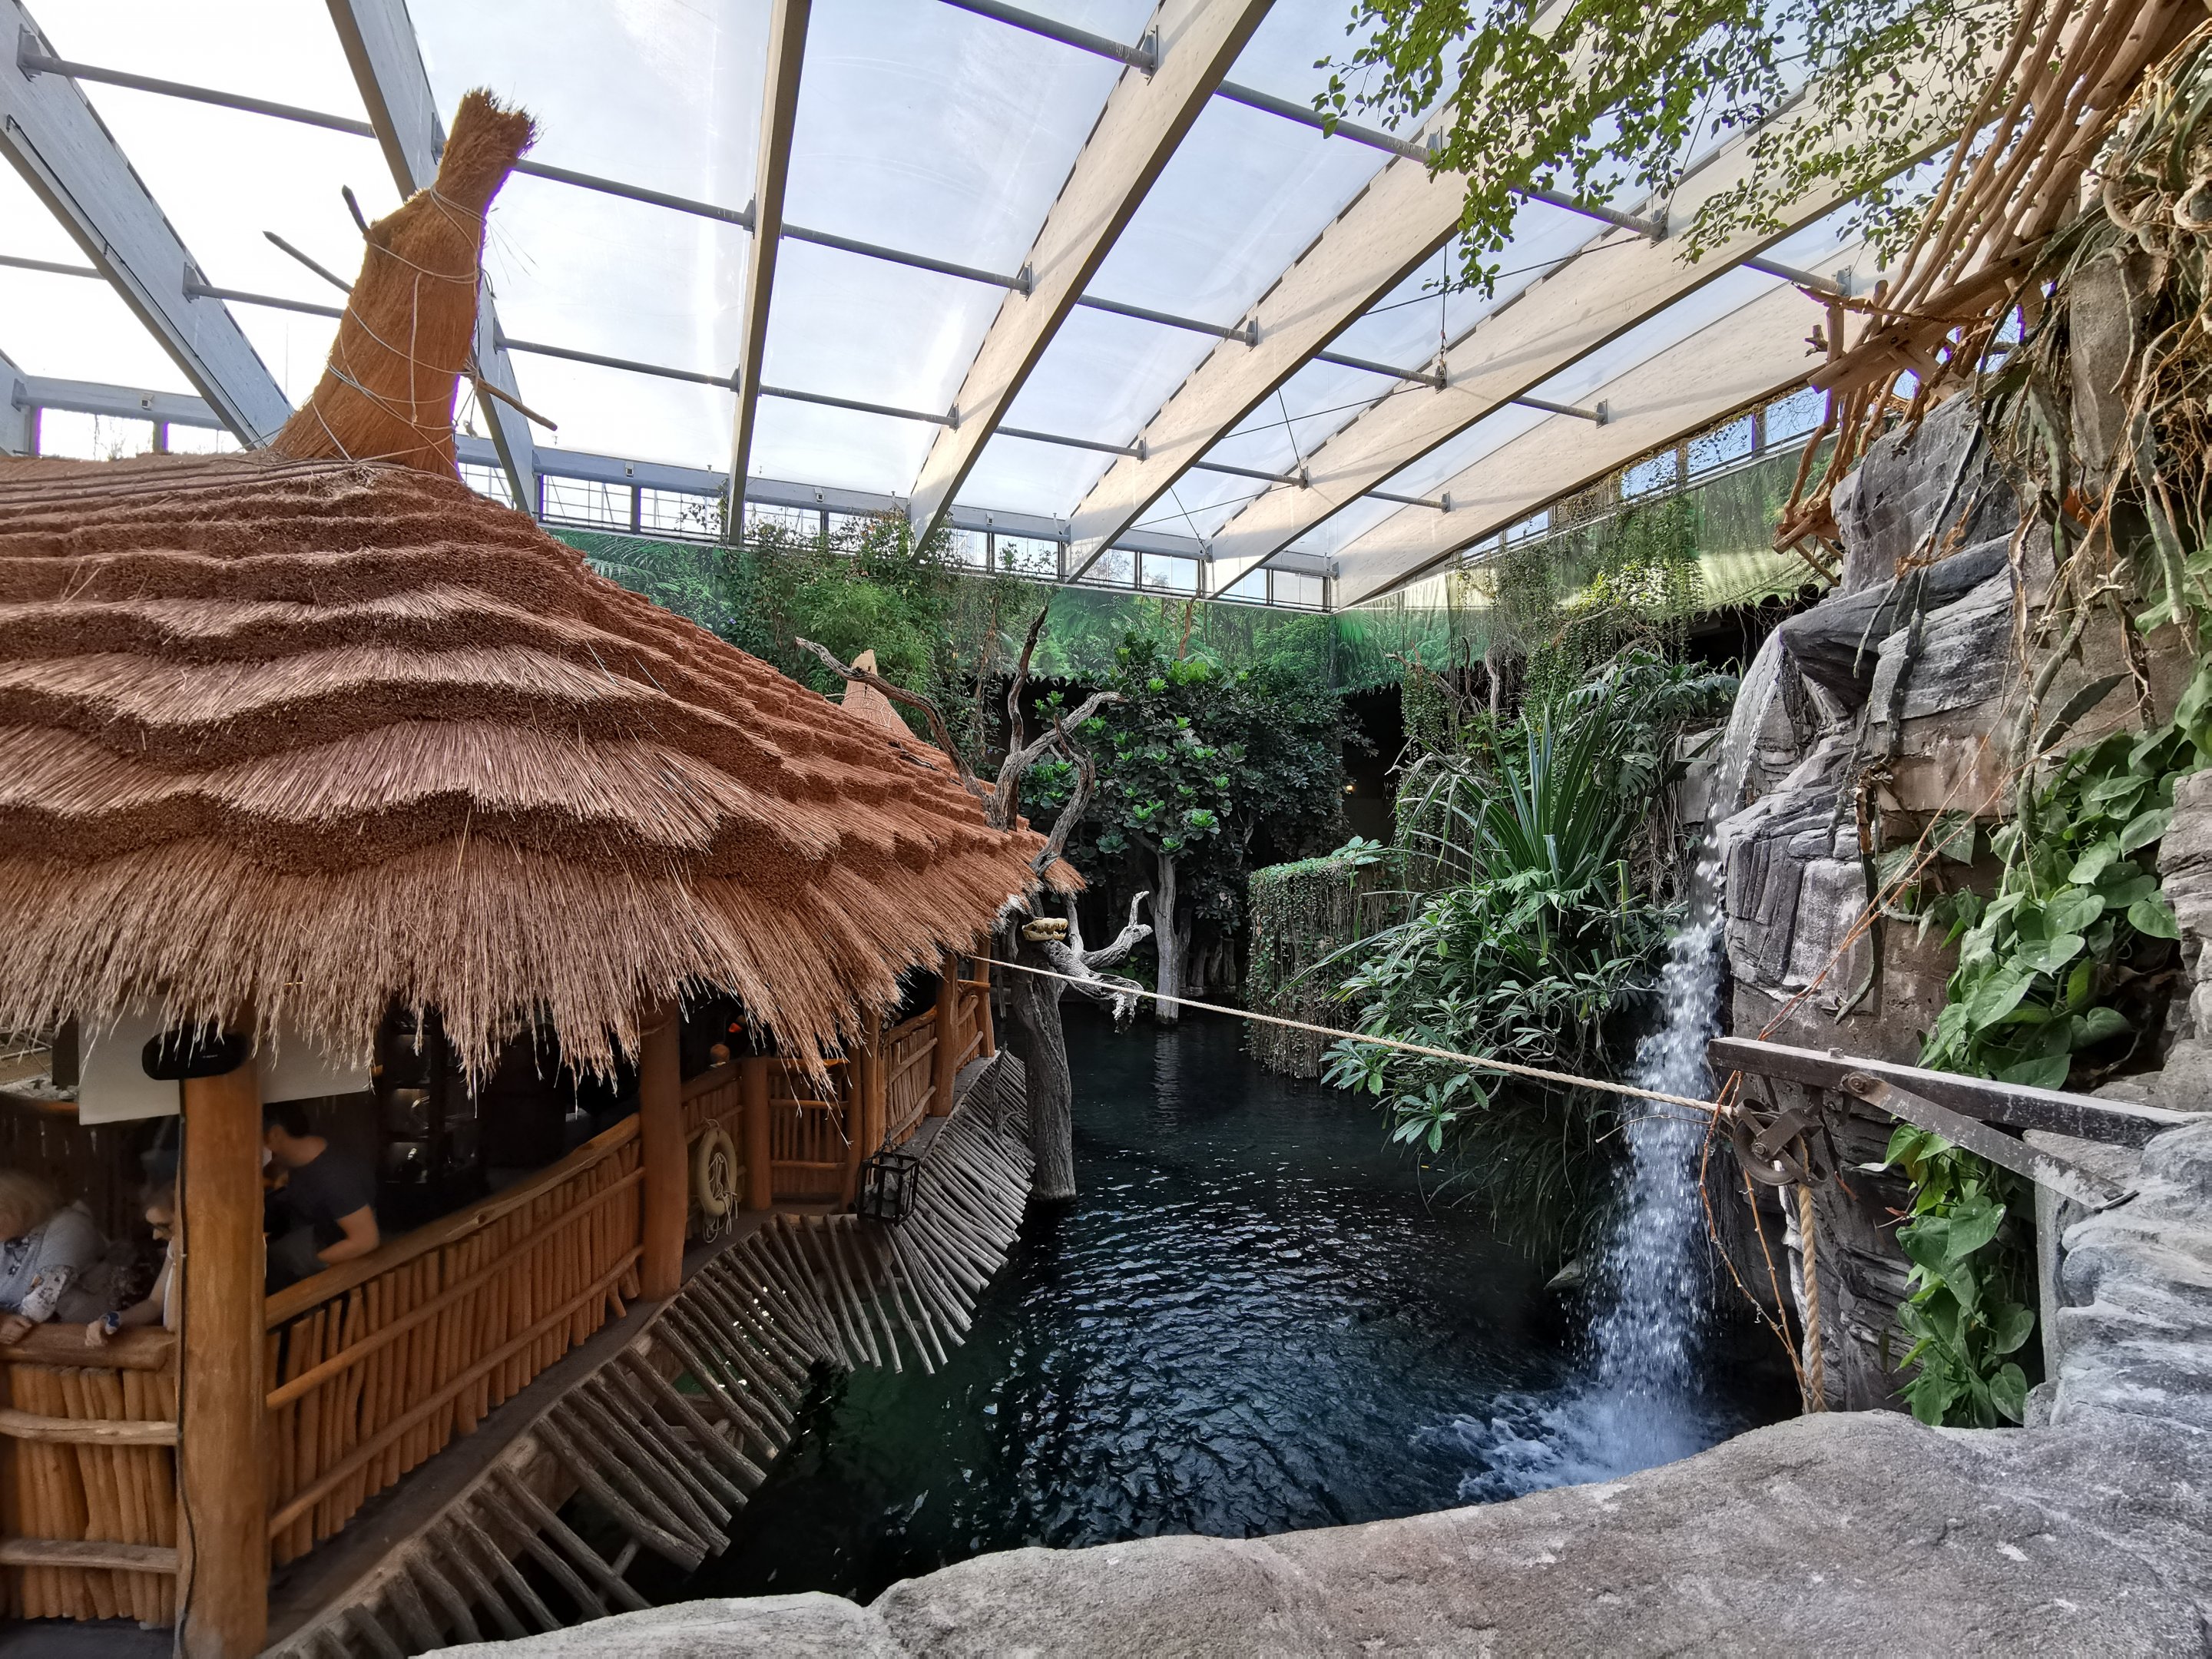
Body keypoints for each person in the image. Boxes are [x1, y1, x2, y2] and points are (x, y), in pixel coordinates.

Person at [263, 1103, 379, 1289]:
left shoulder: (334, 1177)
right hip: (300, 1235)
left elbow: (366, 1240)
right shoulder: (303, 1153)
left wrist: (311, 1260)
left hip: (324, 1260)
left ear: (275, 1134)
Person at [0, 1171, 104, 1344]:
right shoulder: (7, 1234)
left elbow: (41, 1303)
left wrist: (5, 1323)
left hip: (80, 1340)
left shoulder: (70, 1226)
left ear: (20, 1207)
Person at [84, 1181, 174, 1347]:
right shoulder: (174, 1250)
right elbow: (155, 1303)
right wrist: (112, 1320)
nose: (155, 1236)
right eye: (153, 1227)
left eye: (165, 1226)